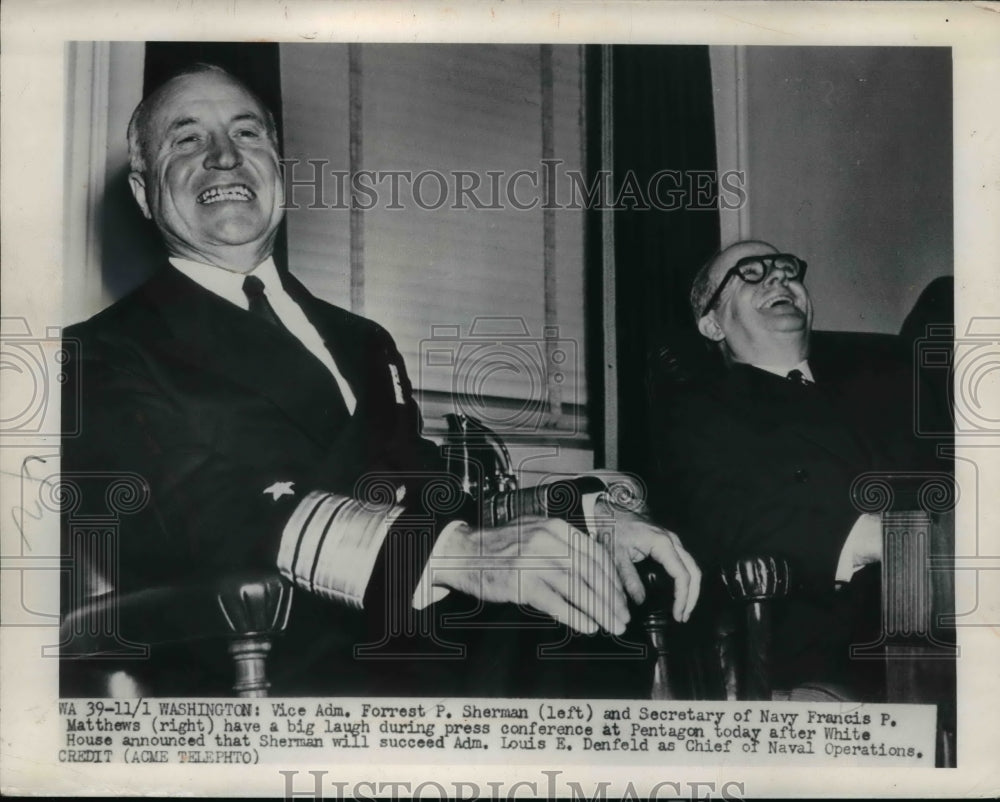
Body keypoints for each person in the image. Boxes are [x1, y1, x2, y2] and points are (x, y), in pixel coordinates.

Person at [61, 64, 699, 697]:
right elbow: (202, 509)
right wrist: (454, 556)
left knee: (595, 617)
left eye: (247, 133)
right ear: (145, 194)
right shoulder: (102, 350)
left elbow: (430, 495)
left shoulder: (363, 341)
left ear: (279, 166)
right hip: (265, 653)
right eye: (188, 138)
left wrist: (581, 514)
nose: (225, 157)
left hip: (418, 629)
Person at [649, 239, 935, 697]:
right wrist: (884, 538)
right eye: (751, 273)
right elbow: (722, 518)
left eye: (786, 269)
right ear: (712, 323)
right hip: (837, 645)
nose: (780, 277)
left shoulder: (891, 384)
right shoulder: (697, 411)